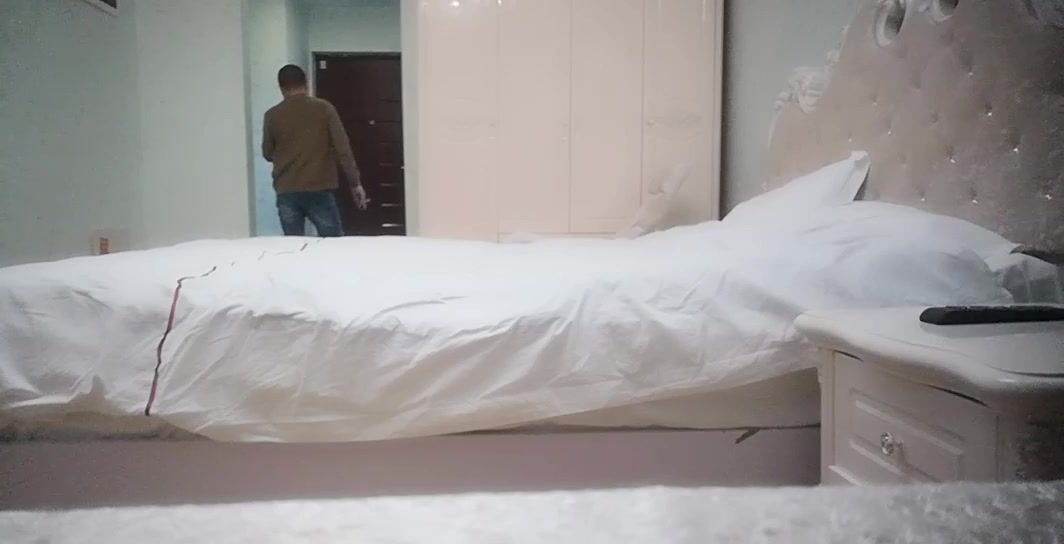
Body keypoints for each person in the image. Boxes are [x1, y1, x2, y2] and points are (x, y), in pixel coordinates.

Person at [262, 64, 367, 237]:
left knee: (293, 245)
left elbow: (267, 153)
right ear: (306, 84)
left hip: (287, 189)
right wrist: (355, 183)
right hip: (319, 188)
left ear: (281, 88)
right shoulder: (324, 109)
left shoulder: (272, 115)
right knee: (332, 243)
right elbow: (343, 149)